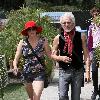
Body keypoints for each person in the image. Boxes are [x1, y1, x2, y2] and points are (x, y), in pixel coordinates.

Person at [51, 12, 90, 100]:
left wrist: (87, 72)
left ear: (73, 23)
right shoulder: (58, 38)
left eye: (69, 22)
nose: (66, 25)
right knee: (62, 96)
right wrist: (60, 58)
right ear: (61, 24)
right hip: (63, 71)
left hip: (78, 71)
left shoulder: (81, 36)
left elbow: (86, 55)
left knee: (76, 98)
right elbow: (52, 55)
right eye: (64, 23)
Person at [13, 20, 51, 100]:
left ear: (36, 30)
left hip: (39, 72)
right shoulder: (22, 42)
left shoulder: (43, 41)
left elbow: (49, 54)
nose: (31, 31)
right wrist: (15, 66)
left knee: (36, 97)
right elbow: (16, 58)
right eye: (29, 29)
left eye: (33, 29)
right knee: (31, 98)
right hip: (27, 73)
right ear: (26, 32)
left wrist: (59, 58)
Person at [88, 7, 100, 100]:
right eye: (94, 15)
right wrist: (90, 54)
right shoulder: (91, 26)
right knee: (94, 70)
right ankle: (95, 90)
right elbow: (90, 41)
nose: (95, 16)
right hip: (95, 50)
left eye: (97, 14)